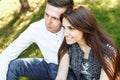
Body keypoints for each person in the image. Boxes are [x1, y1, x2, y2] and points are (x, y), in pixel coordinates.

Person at [0, 0, 75, 80]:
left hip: (70, 70)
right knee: (14, 65)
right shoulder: (36, 29)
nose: (48, 21)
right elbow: (7, 54)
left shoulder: (75, 30)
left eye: (55, 18)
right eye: (46, 14)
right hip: (47, 65)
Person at [56, 6, 120, 80]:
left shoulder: (107, 51)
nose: (65, 34)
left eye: (71, 28)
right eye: (64, 27)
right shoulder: (69, 44)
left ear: (84, 27)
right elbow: (60, 77)